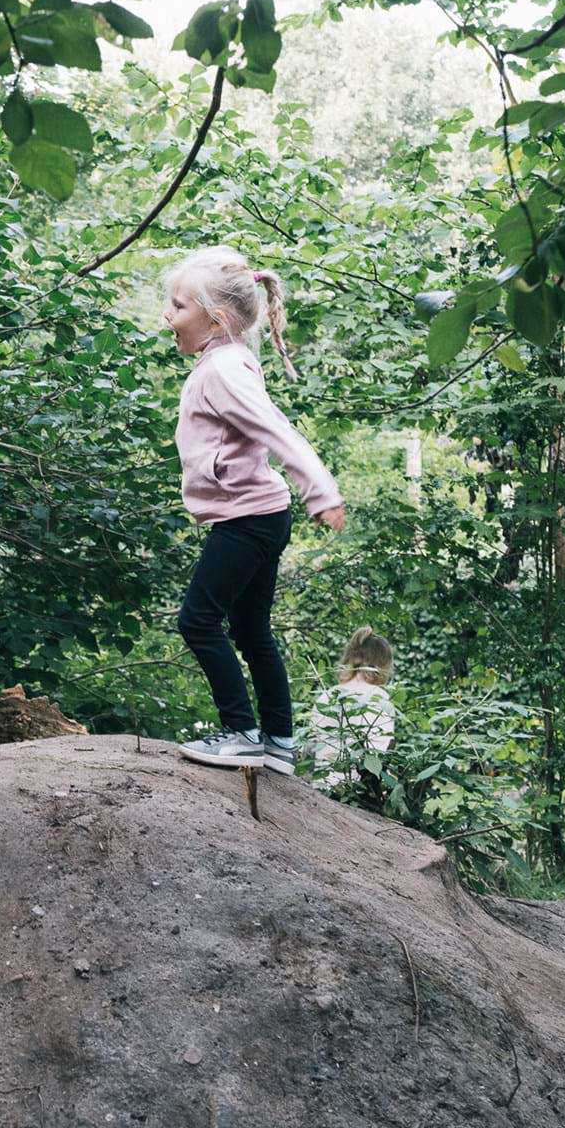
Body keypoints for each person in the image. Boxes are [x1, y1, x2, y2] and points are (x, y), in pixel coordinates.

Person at [159, 246, 346, 770]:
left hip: (247, 518)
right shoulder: (225, 361)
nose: (166, 317)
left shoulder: (223, 370)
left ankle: (240, 731)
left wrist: (322, 491)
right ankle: (279, 744)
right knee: (249, 628)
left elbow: (275, 429)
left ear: (214, 318)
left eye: (177, 307)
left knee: (197, 620)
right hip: (258, 514)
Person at [300, 628, 397, 797]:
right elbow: (378, 759)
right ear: (383, 664)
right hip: (358, 795)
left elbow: (309, 754)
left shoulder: (327, 696)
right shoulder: (380, 698)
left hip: (321, 791)